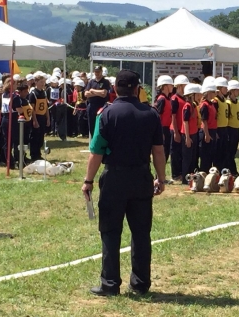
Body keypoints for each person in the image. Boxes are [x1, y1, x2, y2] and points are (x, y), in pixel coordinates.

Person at [82, 69, 166, 296]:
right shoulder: (151, 114)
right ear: (138, 89)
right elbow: (158, 150)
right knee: (141, 233)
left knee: (110, 232)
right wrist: (161, 177)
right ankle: (140, 283)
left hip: (114, 178)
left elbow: (96, 152)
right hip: (141, 177)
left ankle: (109, 284)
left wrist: (88, 180)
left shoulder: (106, 114)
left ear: (115, 89)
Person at [170, 75, 189, 182]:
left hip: (182, 129)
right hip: (175, 129)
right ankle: (175, 174)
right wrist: (176, 132)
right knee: (175, 152)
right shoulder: (174, 99)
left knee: (181, 152)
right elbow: (173, 116)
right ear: (180, 86)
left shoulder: (184, 98)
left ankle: (181, 172)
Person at [181, 83, 200, 184]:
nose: (199, 96)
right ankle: (185, 178)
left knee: (193, 157)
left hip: (194, 133)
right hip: (187, 134)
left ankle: (192, 177)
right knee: (187, 158)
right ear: (191, 95)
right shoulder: (187, 106)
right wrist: (187, 137)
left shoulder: (193, 105)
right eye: (196, 94)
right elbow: (185, 122)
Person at [85, 65, 110, 138]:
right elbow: (86, 94)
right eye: (95, 72)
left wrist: (92, 91)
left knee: (100, 124)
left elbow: (103, 94)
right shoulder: (91, 82)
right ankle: (93, 140)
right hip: (91, 105)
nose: (97, 73)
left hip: (101, 106)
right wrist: (97, 93)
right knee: (91, 124)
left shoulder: (105, 82)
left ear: (101, 72)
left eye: (98, 72)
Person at [29, 75, 50, 161]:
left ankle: (38, 154)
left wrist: (48, 118)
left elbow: (46, 107)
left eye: (43, 82)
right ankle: (34, 155)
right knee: (35, 137)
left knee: (41, 137)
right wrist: (34, 120)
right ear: (36, 82)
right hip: (36, 116)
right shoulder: (33, 93)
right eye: (41, 82)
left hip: (42, 117)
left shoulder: (44, 93)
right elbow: (32, 108)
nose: (42, 84)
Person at [199, 81, 217, 173]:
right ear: (209, 92)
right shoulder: (204, 105)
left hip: (212, 131)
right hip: (207, 131)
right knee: (205, 155)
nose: (215, 93)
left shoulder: (211, 103)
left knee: (211, 154)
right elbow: (204, 120)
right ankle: (204, 173)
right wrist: (206, 134)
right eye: (214, 92)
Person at [225, 80, 239, 176]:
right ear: (231, 91)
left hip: (236, 129)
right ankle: (232, 170)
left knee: (233, 151)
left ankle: (231, 170)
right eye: (237, 90)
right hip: (229, 129)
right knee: (229, 152)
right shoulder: (228, 103)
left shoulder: (238, 102)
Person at [155, 75, 174, 162]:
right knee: (163, 152)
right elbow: (158, 116)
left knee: (166, 151)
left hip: (167, 128)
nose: (172, 87)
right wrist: (160, 132)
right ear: (165, 86)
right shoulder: (161, 99)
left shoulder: (168, 98)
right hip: (162, 128)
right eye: (170, 85)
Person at [213, 77, 229, 170]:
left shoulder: (224, 100)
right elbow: (214, 116)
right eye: (225, 88)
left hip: (224, 128)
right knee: (218, 152)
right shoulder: (215, 101)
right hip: (218, 129)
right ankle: (217, 170)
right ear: (219, 88)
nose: (226, 89)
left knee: (224, 151)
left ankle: (223, 169)